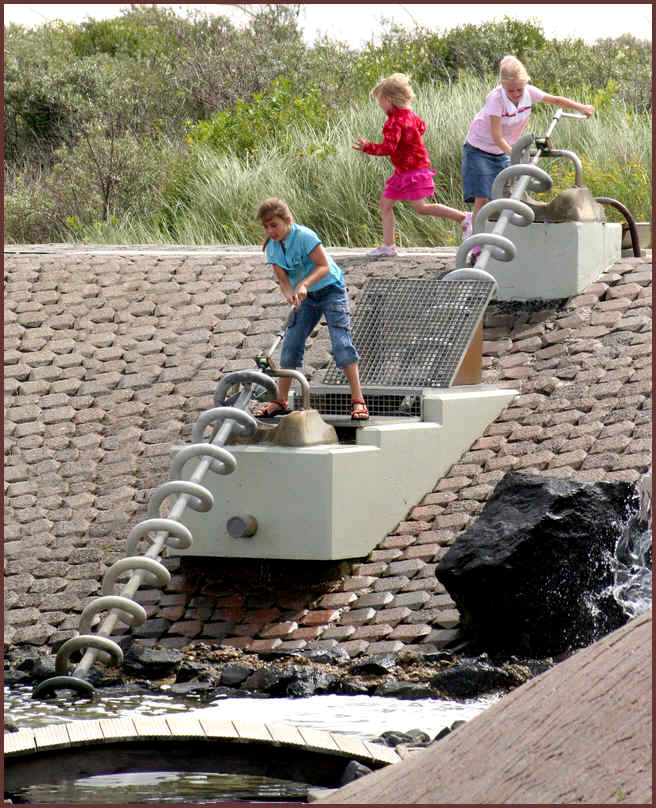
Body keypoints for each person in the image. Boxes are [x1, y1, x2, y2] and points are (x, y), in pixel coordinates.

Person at [462, 55, 595, 259]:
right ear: (502, 86)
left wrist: (582, 107)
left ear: (525, 85)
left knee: (511, 192)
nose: (516, 94)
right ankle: (476, 245)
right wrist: (514, 154)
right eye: (511, 91)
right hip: (480, 149)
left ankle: (507, 239)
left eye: (519, 90)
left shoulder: (529, 93)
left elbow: (556, 100)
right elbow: (497, 136)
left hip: (503, 149)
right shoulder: (495, 99)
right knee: (484, 196)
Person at [253, 197, 369, 421]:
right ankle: (280, 400)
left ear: (288, 220)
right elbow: (284, 281)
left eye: (274, 225)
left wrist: (304, 284)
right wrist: (290, 295)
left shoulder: (305, 236)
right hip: (305, 296)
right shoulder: (273, 248)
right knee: (291, 344)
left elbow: (324, 266)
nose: (270, 231)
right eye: (266, 227)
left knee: (341, 343)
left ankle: (358, 400)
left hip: (331, 290)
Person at [353, 72, 471, 257]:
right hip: (405, 171)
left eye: (380, 101)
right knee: (385, 204)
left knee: (421, 208)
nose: (379, 105)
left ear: (389, 100)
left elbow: (388, 148)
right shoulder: (409, 115)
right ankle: (388, 246)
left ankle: (464, 218)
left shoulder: (393, 122)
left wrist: (366, 147)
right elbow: (422, 127)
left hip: (412, 171)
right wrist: (410, 142)